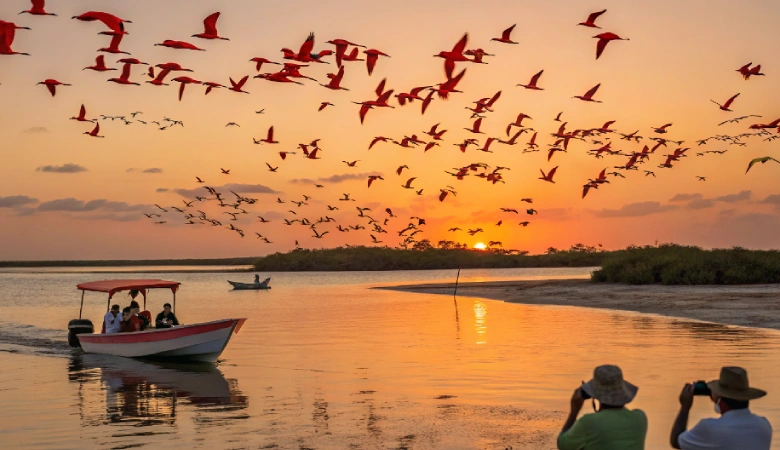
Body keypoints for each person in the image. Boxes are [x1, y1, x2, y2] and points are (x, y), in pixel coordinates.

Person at [671, 366, 772, 450]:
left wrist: (685, 407)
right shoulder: (764, 426)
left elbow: (676, 441)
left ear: (721, 401)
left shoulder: (709, 427)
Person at [557, 364, 647, 450]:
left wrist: (574, 410)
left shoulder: (588, 422)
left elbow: (563, 445)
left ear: (594, 393)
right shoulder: (640, 418)